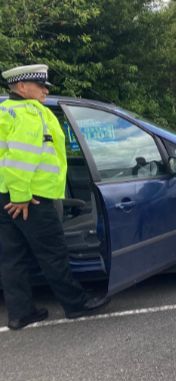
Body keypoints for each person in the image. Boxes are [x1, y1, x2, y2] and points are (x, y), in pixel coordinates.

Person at [0, 64, 110, 330]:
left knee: (12, 257)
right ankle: (75, 304)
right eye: (40, 85)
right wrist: (22, 196)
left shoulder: (5, 111)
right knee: (53, 253)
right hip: (30, 199)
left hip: (5, 196)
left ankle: (21, 313)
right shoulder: (28, 113)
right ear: (22, 87)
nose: (45, 90)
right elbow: (21, 159)